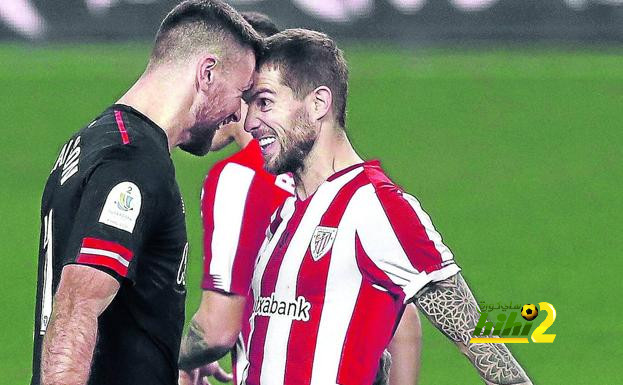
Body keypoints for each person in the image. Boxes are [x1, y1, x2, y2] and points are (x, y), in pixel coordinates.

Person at [235, 29, 532, 385]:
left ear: (318, 104)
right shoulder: (283, 217)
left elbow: (480, 341)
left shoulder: (376, 205)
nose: (250, 122)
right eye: (248, 104)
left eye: (264, 102)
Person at [179, 13, 422, 385]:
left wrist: (175, 357)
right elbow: (403, 316)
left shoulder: (238, 179)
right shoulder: (329, 185)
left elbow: (217, 329)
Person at [29, 1, 261, 385]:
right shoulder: (133, 161)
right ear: (206, 73)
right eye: (241, 92)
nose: (239, 115)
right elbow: (77, 306)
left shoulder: (94, 139)